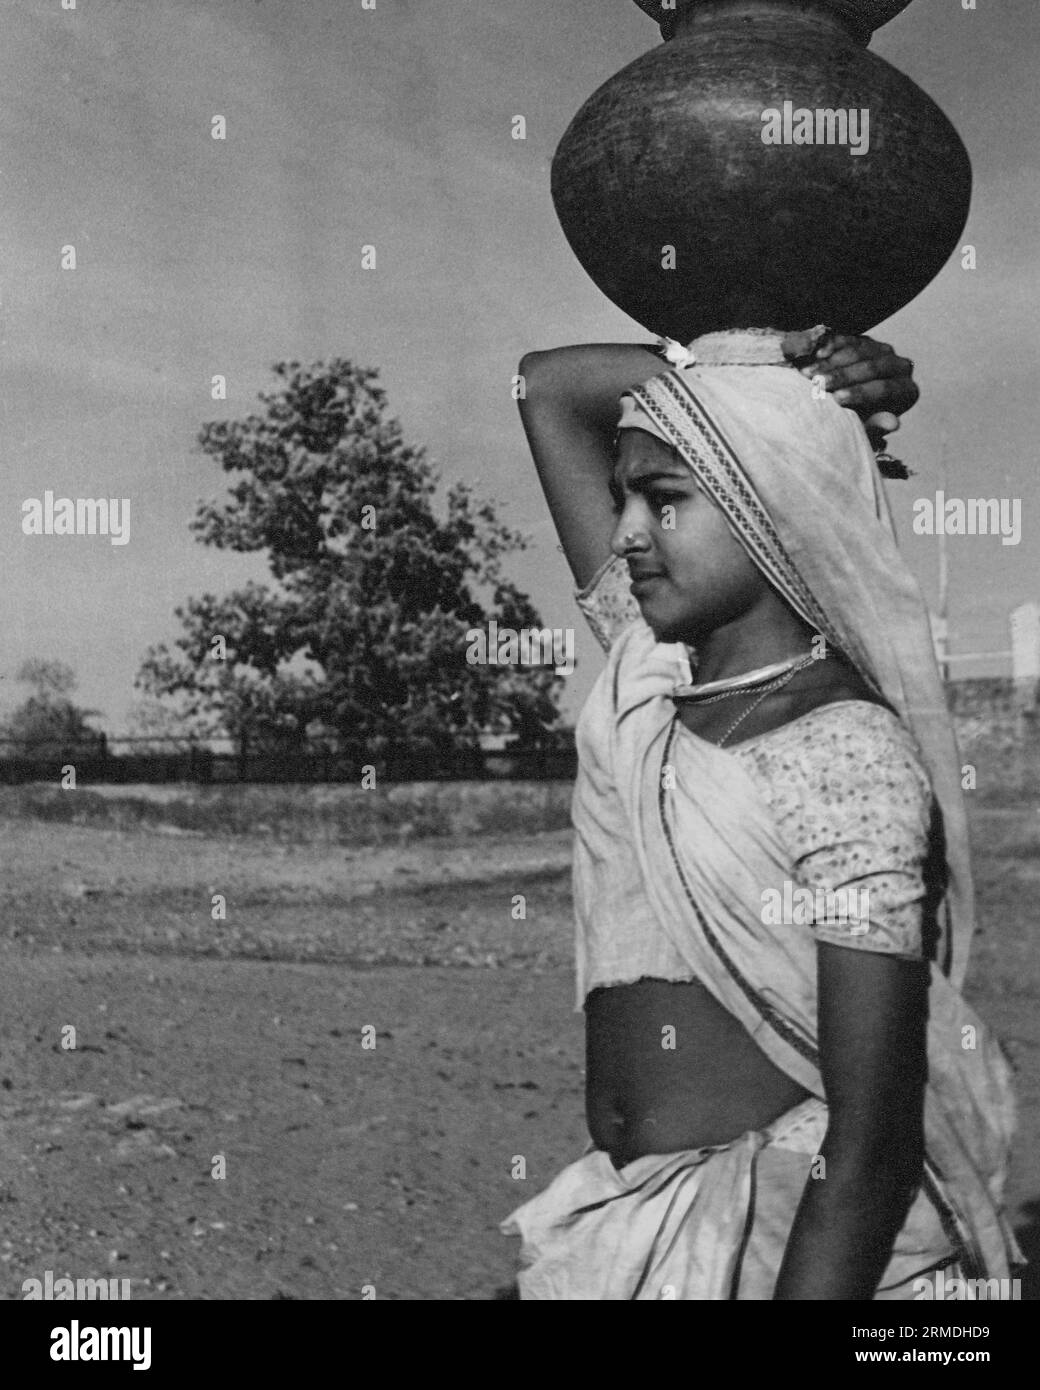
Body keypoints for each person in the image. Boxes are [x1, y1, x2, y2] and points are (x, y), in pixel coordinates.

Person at [499, 329, 1020, 1299]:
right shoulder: (647, 678)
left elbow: (870, 1144)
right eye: (621, 500)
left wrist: (775, 406)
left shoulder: (845, 749)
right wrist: (755, 369)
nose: (624, 533)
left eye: (663, 502)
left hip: (800, 1249)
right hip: (634, 1224)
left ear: (772, 502)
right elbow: (546, 387)